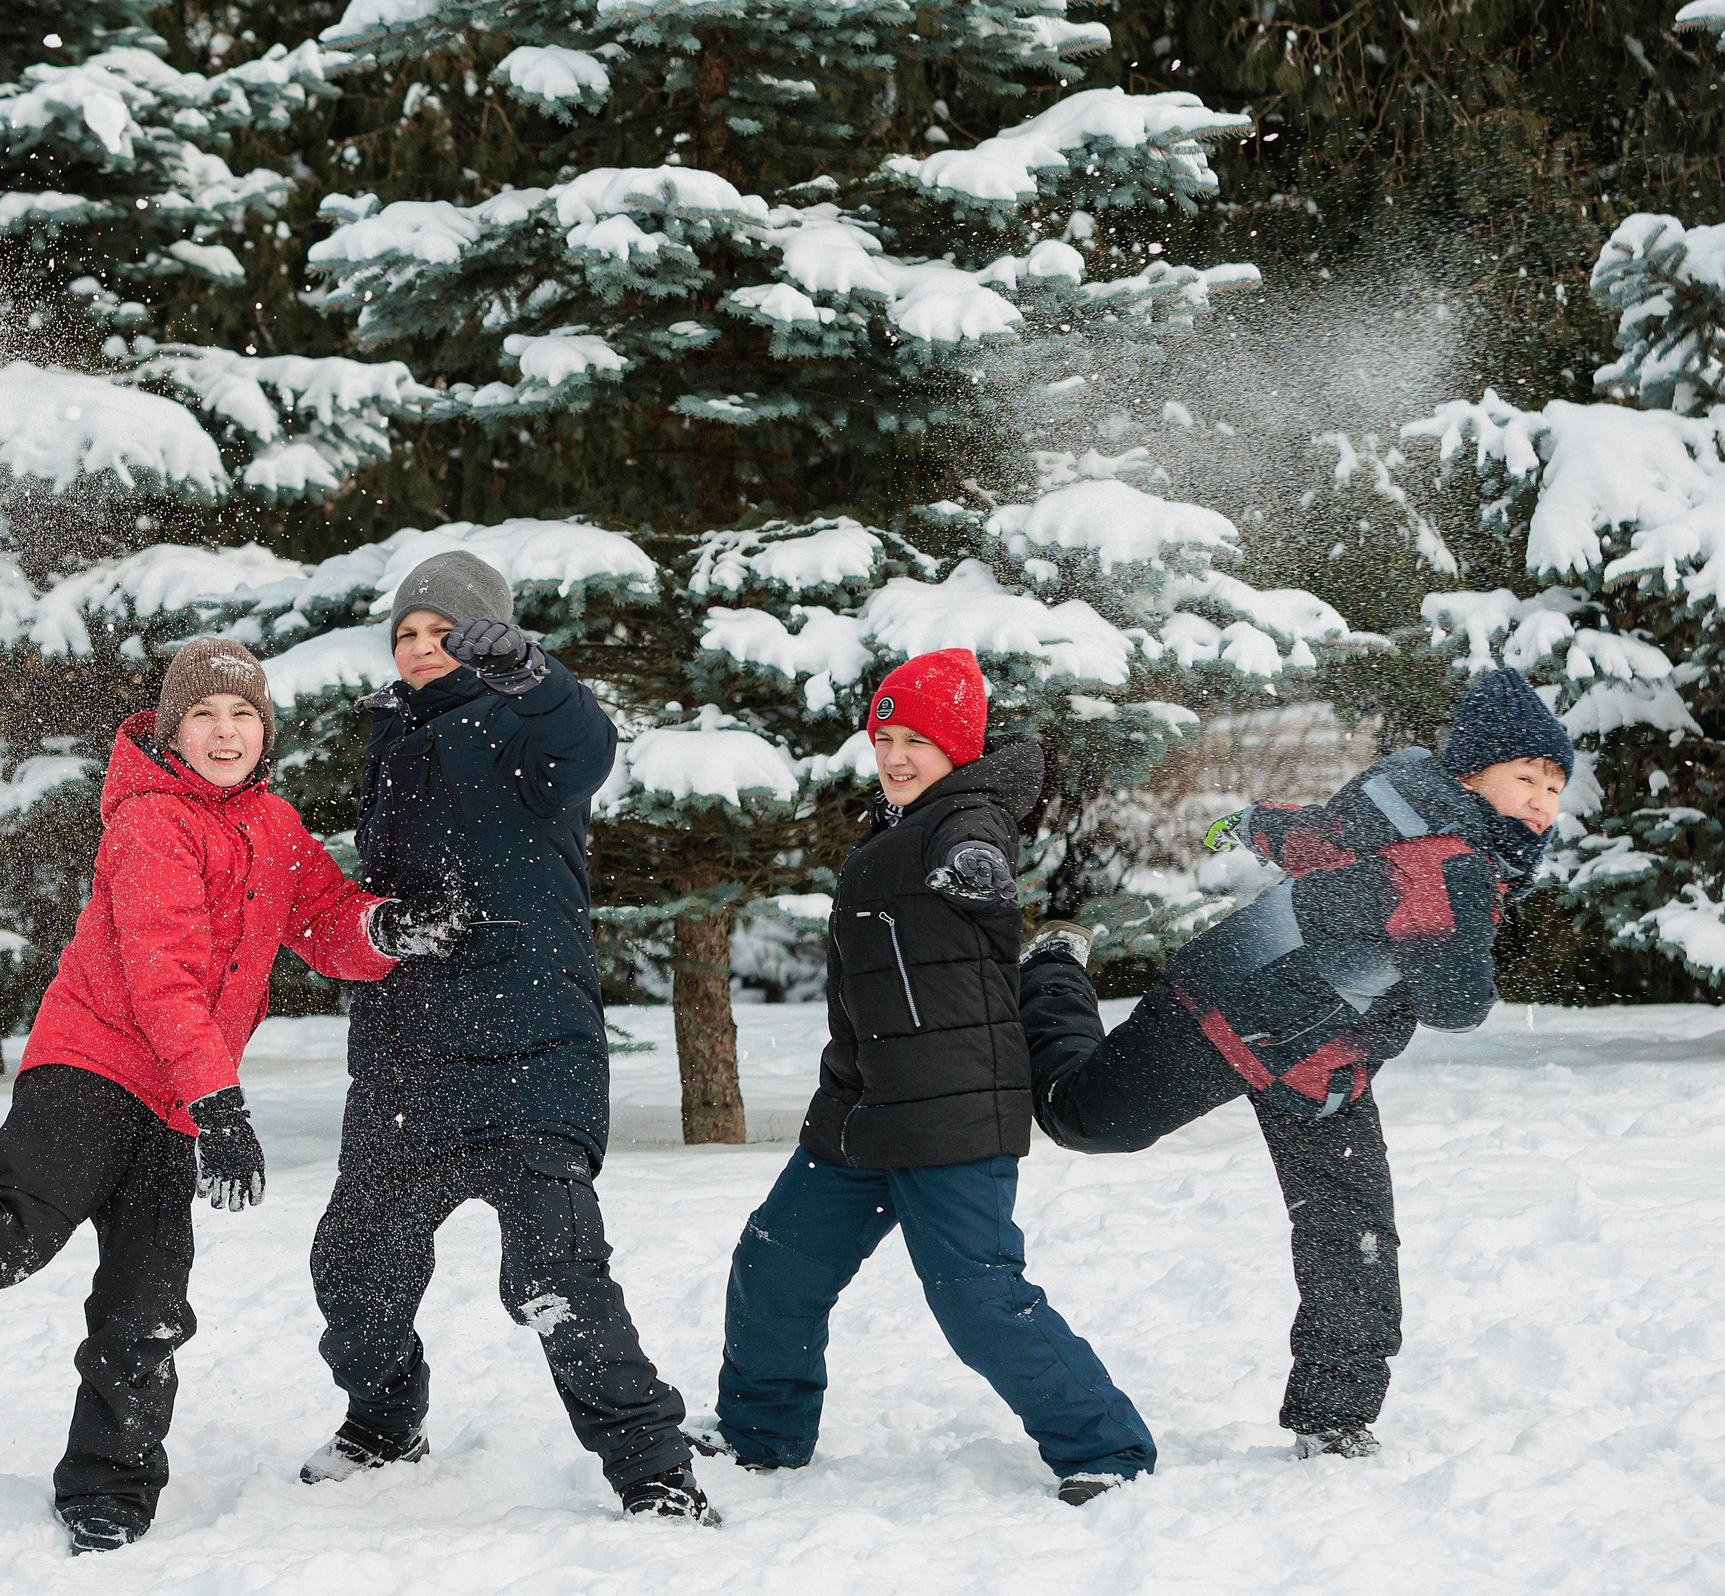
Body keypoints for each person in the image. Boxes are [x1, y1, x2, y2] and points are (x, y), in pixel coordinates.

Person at [0, 638, 465, 1556]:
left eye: (243, 714)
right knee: (11, 1234)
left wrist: (388, 927)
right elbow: (160, 973)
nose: (224, 730)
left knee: (148, 1304)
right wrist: (224, 1102)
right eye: (203, 714)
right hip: (91, 1066)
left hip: (175, 1097)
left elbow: (323, 918)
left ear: (264, 732)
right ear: (172, 730)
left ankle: (109, 1484)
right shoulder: (150, 821)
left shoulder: (273, 825)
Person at [1022, 666, 1570, 1460]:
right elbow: (1457, 1003)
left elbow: (1312, 836)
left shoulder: (1407, 815)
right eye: (1524, 778)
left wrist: (1253, 822)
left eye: (1553, 789)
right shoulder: (1453, 865)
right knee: (1082, 1118)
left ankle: (1334, 1414)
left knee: (1352, 1230)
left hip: (1323, 1066)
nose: (1540, 803)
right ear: (1469, 774)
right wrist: (1453, 958)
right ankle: (1051, 967)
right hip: (1227, 1012)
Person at [302, 550, 719, 1525]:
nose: (416, 648)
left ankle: (652, 1469)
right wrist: (388, 930)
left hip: (530, 1056)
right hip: (407, 1063)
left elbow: (587, 748)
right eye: (404, 633)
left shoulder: (525, 729)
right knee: (352, 1269)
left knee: (551, 1278)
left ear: (483, 638)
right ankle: (384, 1419)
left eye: (439, 631)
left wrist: (533, 676)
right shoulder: (387, 737)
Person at [704, 648, 1158, 1503]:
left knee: (976, 1299)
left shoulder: (966, 819)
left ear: (958, 748)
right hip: (861, 1108)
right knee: (774, 1263)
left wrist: (979, 873)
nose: (896, 755)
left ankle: (1108, 1448)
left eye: (918, 738)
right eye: (886, 737)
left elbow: (977, 842)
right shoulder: (894, 826)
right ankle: (759, 1434)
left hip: (951, 1112)